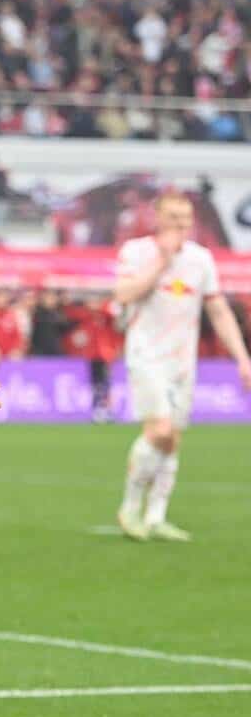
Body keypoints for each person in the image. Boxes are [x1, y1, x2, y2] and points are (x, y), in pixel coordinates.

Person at [113, 193, 251, 541]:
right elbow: (124, 294)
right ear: (156, 218)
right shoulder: (136, 252)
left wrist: (242, 358)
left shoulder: (200, 260)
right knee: (158, 429)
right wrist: (162, 261)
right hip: (146, 356)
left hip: (182, 363)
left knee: (172, 439)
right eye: (174, 217)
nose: (181, 224)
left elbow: (218, 310)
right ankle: (130, 507)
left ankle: (156, 516)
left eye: (186, 218)